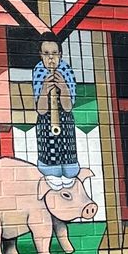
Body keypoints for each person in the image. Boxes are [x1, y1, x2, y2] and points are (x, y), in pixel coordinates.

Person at [32, 38, 80, 187]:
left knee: (66, 151)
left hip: (64, 120)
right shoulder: (39, 71)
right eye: (46, 54)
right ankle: (52, 175)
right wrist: (45, 89)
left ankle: (69, 175)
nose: (51, 58)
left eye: (54, 53)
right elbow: (41, 110)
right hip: (46, 121)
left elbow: (68, 107)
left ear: (60, 54)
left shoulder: (66, 70)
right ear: (41, 55)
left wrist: (63, 87)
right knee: (50, 152)